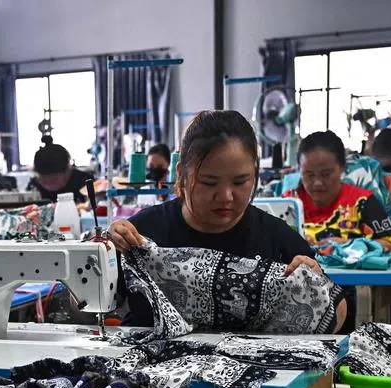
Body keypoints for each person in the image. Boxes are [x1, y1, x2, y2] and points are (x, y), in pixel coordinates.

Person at [107, 110, 340, 328]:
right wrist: (106, 250)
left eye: (240, 182)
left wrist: (315, 283)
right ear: (181, 175)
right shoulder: (141, 234)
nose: (226, 197)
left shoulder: (277, 240)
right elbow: (85, 310)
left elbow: (338, 311)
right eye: (209, 183)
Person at [287, 130, 391, 250]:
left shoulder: (363, 202)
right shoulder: (288, 203)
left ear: (342, 168)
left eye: (326, 174)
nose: (317, 183)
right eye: (309, 174)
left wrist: (348, 244)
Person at [28, 136, 93, 203]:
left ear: (68, 172)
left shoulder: (85, 182)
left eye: (54, 180)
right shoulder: (34, 186)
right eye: (44, 180)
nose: (48, 184)